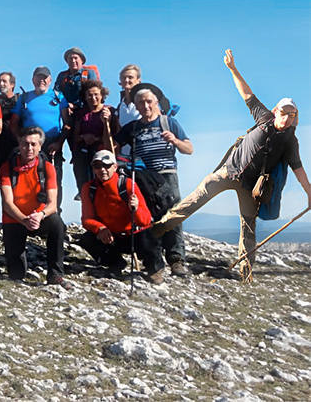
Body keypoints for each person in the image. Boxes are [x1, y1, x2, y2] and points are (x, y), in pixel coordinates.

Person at [153, 49, 311, 279]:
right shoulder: (264, 117)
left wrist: (309, 193)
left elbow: (299, 170)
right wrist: (233, 68)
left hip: (249, 186)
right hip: (227, 173)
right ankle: (157, 230)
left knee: (248, 229)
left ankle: (245, 274)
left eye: (292, 114)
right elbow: (246, 93)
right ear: (276, 111)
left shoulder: (290, 141)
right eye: (284, 112)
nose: (287, 118)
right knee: (193, 201)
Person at [116, 85, 194, 276]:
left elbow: (189, 149)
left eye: (149, 101)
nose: (145, 106)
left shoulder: (169, 123)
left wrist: (175, 141)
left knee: (173, 216)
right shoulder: (133, 128)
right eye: (140, 103)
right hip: (143, 176)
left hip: (167, 174)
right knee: (148, 218)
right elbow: (114, 144)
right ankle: (155, 259)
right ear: (136, 106)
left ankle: (177, 260)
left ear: (156, 102)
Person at [77, 150, 165, 284]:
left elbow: (145, 220)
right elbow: (86, 219)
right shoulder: (88, 188)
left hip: (134, 234)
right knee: (87, 239)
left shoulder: (128, 184)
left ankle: (155, 269)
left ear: (115, 167)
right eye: (97, 166)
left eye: (106, 165)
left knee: (147, 236)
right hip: (112, 236)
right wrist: (100, 228)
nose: (102, 170)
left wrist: (135, 210)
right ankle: (115, 264)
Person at [0, 127, 68, 286]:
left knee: (57, 223)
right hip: (15, 219)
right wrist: (24, 220)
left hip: (38, 217)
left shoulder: (48, 168)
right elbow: (7, 203)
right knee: (16, 276)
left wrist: (40, 215)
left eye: (33, 144)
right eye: (25, 144)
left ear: (40, 146)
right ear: (19, 144)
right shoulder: (6, 168)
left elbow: (53, 205)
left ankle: (55, 274)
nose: (29, 148)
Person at [11, 66, 68, 208]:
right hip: (30, 144)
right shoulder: (24, 98)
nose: (41, 81)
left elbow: (68, 124)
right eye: (38, 78)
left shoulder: (58, 96)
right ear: (33, 80)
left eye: (44, 78)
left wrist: (59, 144)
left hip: (52, 144)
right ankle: (32, 210)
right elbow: (13, 123)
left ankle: (54, 211)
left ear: (50, 80)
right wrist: (21, 141)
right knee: (31, 178)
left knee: (54, 179)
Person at [71, 79, 120, 194]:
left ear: (102, 95)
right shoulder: (81, 113)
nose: (93, 98)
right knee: (84, 185)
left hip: (103, 153)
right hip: (84, 154)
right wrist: (84, 137)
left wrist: (96, 138)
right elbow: (75, 136)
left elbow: (116, 135)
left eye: (96, 94)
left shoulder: (110, 111)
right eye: (89, 95)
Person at [116, 64, 142, 159]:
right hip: (124, 156)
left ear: (138, 81)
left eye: (130, 77)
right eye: (124, 78)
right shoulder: (120, 106)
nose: (127, 80)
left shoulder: (145, 103)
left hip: (142, 155)